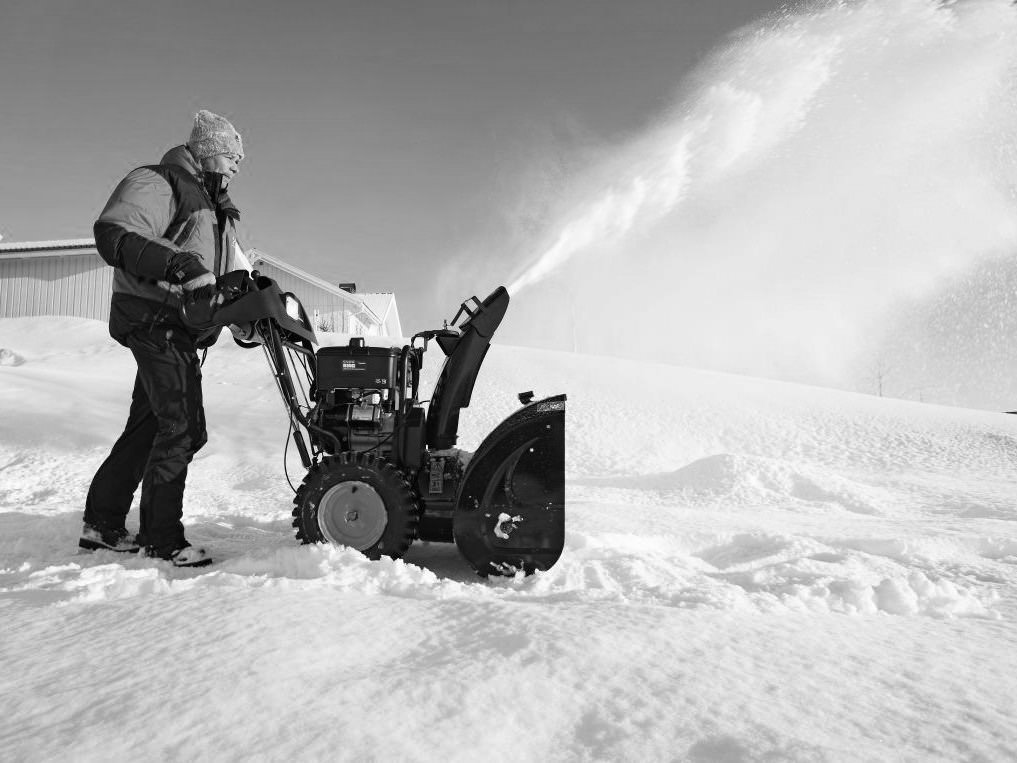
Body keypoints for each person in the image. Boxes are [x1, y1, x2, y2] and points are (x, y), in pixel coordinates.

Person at [80, 110, 247, 567]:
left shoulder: (217, 209)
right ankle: (162, 539)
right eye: (232, 154)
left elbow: (229, 272)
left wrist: (244, 309)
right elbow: (115, 232)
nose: (238, 164)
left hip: (179, 325)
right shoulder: (161, 181)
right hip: (154, 316)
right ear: (208, 150)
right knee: (183, 427)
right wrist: (181, 266)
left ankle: (103, 522)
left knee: (151, 424)